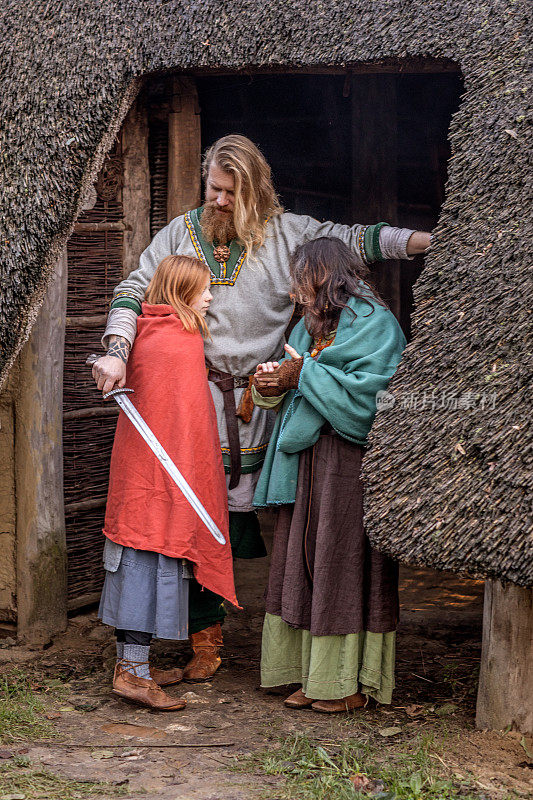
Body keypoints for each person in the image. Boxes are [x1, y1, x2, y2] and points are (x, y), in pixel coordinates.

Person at [92, 134, 430, 679]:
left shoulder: (288, 233)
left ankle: (299, 646)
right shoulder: (181, 233)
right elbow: (136, 290)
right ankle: (205, 644)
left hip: (264, 404)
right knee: (196, 517)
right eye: (212, 187)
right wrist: (116, 349)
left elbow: (357, 241)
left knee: (283, 520)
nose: (218, 200)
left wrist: (426, 243)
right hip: (193, 404)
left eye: (230, 192)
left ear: (255, 191)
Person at [252, 237, 405, 713]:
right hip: (307, 466)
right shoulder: (307, 327)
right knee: (302, 561)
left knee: (343, 565)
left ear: (325, 277)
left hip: (350, 465)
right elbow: (295, 380)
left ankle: (347, 683)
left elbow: (373, 398)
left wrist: (302, 377)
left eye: (302, 279)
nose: (296, 291)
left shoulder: (376, 325)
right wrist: (271, 385)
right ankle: (310, 673)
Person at [99, 254, 238, 710]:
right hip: (154, 477)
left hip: (158, 474)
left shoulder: (163, 330)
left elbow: (187, 415)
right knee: (143, 559)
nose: (211, 296)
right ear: (181, 291)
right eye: (203, 289)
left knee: (147, 557)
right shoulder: (170, 339)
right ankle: (133, 673)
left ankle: (134, 664)